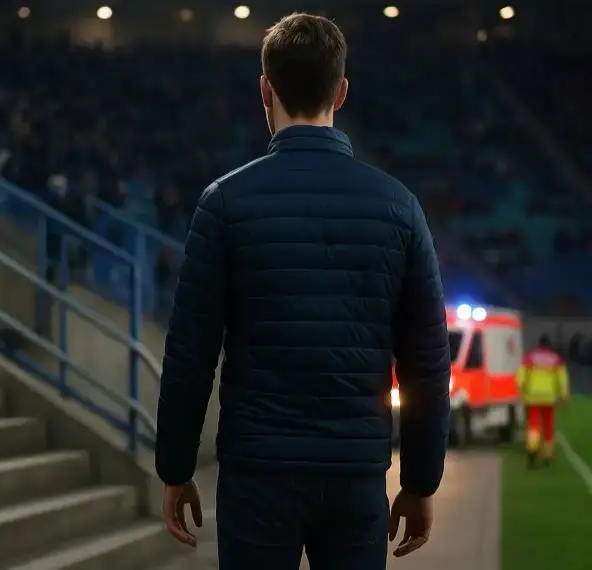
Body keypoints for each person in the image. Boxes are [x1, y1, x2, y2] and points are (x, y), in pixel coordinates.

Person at [154, 12, 451, 570]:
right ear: (340, 92)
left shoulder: (223, 204)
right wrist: (420, 482)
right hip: (355, 476)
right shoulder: (399, 206)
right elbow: (427, 363)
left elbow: (190, 352)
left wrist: (175, 468)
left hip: (256, 476)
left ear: (265, 89)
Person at [517, 334, 570, 468]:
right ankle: (547, 455)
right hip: (549, 397)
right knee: (548, 426)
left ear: (538, 345)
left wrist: (522, 392)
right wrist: (564, 397)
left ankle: (532, 449)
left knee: (533, 425)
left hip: (533, 396)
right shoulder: (556, 359)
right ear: (549, 345)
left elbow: (521, 377)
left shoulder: (530, 357)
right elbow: (562, 380)